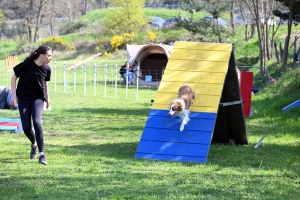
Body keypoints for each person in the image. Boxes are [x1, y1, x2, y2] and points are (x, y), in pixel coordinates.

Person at [10, 45, 52, 165]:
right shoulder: (25, 65)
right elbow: (13, 78)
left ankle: (42, 154)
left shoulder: (47, 68)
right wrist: (14, 96)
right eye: (49, 55)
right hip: (23, 98)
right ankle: (34, 145)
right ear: (42, 55)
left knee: (37, 123)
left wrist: (48, 98)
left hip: (38, 99)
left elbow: (45, 83)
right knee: (26, 127)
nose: (51, 58)